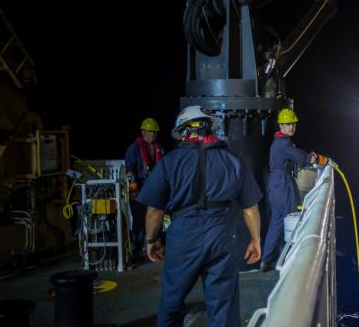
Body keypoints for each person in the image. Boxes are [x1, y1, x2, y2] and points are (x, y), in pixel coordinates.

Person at [136, 106, 262, 326]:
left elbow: (154, 210)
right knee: (224, 307)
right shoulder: (232, 160)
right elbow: (250, 207)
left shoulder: (170, 161)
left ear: (184, 132)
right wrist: (255, 240)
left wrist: (151, 240)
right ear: (208, 129)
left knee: (172, 302)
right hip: (222, 235)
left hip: (183, 237)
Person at [259, 108, 318, 271]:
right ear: (281, 126)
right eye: (287, 124)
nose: (291, 127)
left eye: (293, 123)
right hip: (283, 183)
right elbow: (300, 158)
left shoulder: (278, 141)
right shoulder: (284, 143)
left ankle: (266, 261)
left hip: (276, 182)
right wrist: (312, 158)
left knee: (276, 222)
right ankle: (289, 260)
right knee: (292, 218)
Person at [124, 117, 165, 261]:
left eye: (154, 132)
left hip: (154, 190)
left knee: (155, 219)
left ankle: (154, 247)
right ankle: (136, 250)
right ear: (143, 132)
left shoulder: (159, 148)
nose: (152, 135)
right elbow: (130, 171)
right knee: (139, 221)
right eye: (149, 132)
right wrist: (133, 191)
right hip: (140, 191)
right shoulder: (134, 148)